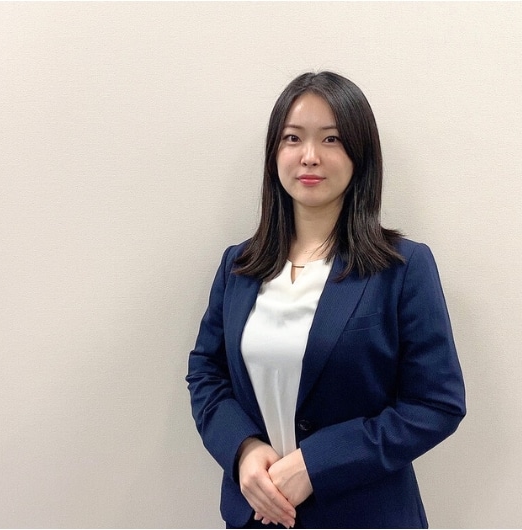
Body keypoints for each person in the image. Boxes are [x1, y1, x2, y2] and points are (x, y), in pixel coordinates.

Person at [186, 71, 466, 529]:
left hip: (365, 516)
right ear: (275, 153)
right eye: (293, 138)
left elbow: (437, 404)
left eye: (331, 139)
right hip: (258, 514)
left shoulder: (402, 268)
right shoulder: (239, 265)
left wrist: (317, 463)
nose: (309, 156)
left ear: (359, 154)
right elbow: (206, 372)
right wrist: (243, 449)